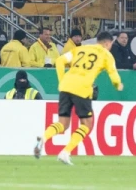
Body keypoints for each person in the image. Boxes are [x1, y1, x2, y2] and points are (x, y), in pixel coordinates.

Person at [35, 31, 122, 165]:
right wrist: (118, 85)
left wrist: (62, 80)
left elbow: (59, 61)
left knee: (63, 124)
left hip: (65, 86)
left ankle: (44, 137)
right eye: (110, 44)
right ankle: (65, 152)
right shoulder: (106, 55)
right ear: (107, 43)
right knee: (87, 124)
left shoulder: (80, 49)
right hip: (82, 88)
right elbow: (114, 75)